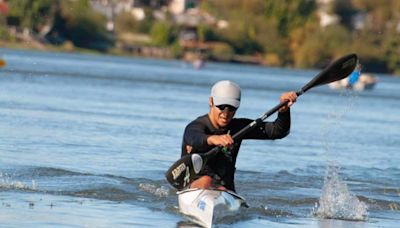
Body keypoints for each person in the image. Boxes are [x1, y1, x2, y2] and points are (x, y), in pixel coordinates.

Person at [181, 80, 297, 192]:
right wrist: (213, 139)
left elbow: (278, 131)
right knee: (206, 180)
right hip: (194, 188)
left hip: (225, 191)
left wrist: (283, 111)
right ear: (211, 101)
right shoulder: (196, 127)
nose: (226, 113)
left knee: (221, 188)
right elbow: (193, 137)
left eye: (231, 108)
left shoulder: (239, 128)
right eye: (221, 106)